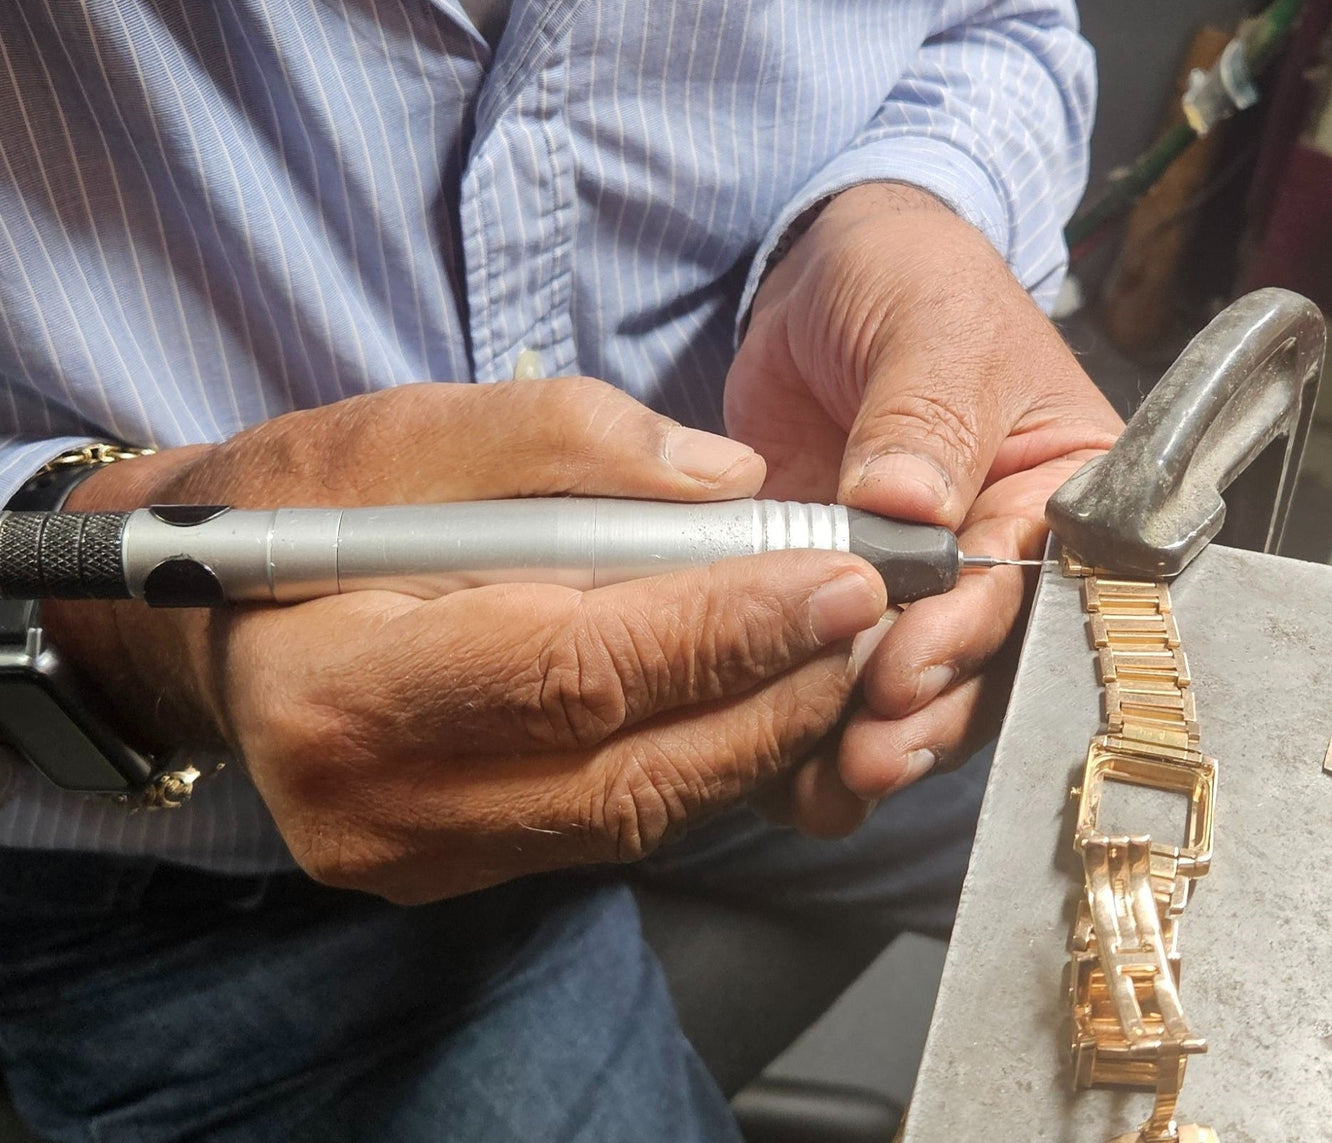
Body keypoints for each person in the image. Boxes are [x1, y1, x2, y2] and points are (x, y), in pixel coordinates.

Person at [0, 2, 1121, 1140]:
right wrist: (135, 639)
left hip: (818, 656)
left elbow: (1000, 28)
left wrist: (911, 201)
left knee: (1163, 842)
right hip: (217, 891)